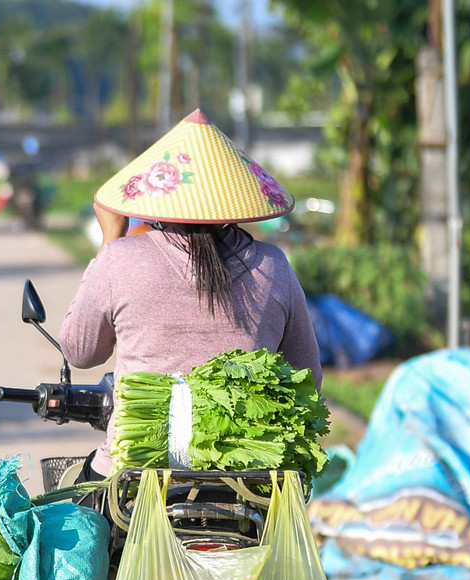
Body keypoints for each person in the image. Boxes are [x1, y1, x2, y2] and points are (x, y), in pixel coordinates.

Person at [59, 108, 322, 479]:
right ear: (234, 198)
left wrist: (109, 239)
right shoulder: (274, 265)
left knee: (72, 521)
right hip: (245, 476)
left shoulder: (119, 260)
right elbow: (307, 377)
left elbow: (80, 352)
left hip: (134, 472)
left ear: (159, 197)